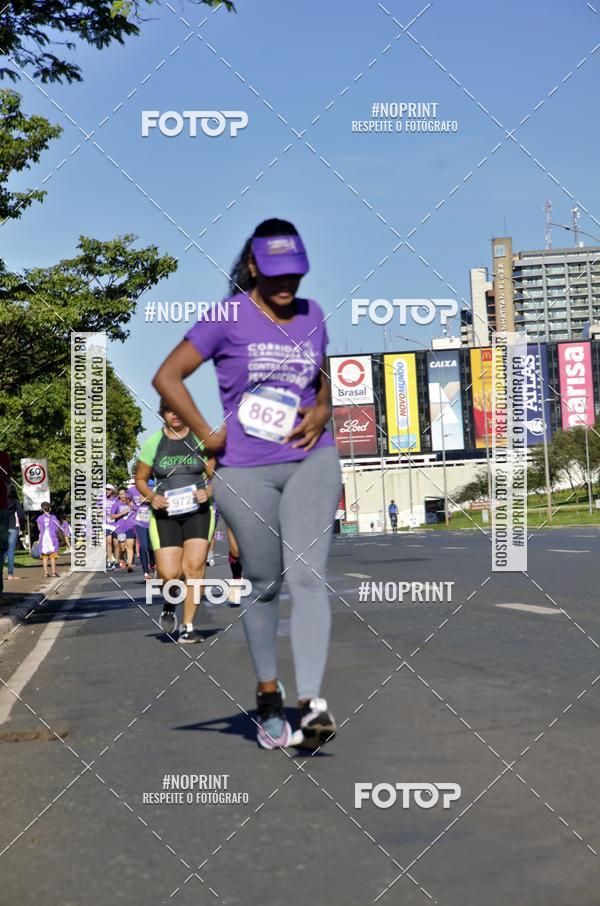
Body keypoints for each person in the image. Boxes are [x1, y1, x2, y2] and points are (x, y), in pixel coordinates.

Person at [152, 217, 342, 751]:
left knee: (308, 576)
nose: (288, 285)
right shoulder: (226, 319)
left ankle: (309, 704)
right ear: (254, 266)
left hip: (311, 459)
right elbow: (167, 376)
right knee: (263, 583)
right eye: (277, 273)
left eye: (296, 274)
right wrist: (208, 434)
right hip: (243, 469)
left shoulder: (313, 315)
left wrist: (323, 410)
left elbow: (322, 377)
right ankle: (266, 694)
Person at [135, 400, 215, 643]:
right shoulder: (153, 443)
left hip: (198, 512)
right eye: (170, 410)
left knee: (194, 569)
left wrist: (208, 492)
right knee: (170, 574)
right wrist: (151, 496)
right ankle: (169, 603)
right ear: (163, 414)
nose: (176, 415)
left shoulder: (201, 439)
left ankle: (187, 626)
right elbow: (140, 479)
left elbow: (220, 475)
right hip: (164, 516)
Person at [128, 479, 155, 580]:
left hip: (152, 521)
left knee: (151, 547)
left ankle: (152, 564)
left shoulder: (153, 487)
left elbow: (159, 500)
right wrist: (131, 506)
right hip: (139, 522)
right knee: (143, 546)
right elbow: (127, 499)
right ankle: (146, 573)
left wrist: (149, 499)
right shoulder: (132, 490)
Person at [109, 488, 136, 572]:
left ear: (126, 494)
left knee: (130, 546)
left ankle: (130, 564)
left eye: (124, 494)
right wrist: (121, 513)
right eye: (120, 494)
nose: (122, 496)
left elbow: (137, 511)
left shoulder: (130, 503)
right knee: (123, 548)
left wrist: (133, 507)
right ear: (119, 496)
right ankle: (121, 557)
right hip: (120, 528)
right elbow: (112, 516)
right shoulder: (116, 504)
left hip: (130, 527)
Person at [36, 501, 61, 578]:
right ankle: (54, 572)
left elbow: (39, 529)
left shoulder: (39, 518)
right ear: (50, 509)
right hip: (52, 538)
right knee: (52, 556)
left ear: (41, 509)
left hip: (44, 538)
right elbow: (57, 529)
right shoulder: (53, 517)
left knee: (45, 556)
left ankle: (45, 573)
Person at [5, 486, 25, 581]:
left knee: (3, 551)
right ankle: (10, 574)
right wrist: (23, 528)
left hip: (2, 526)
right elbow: (21, 515)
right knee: (11, 551)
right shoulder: (15, 500)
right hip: (13, 526)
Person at [104, 484, 119, 570]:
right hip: (107, 524)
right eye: (106, 489)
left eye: (109, 489)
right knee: (108, 542)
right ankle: (109, 560)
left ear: (112, 490)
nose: (107, 491)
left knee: (116, 543)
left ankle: (116, 561)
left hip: (116, 523)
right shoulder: (102, 500)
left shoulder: (116, 499)